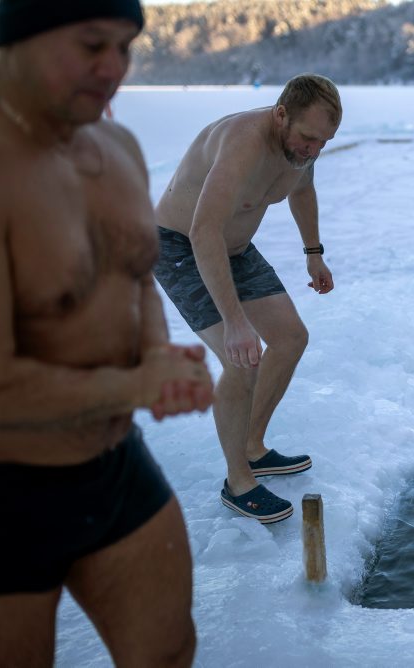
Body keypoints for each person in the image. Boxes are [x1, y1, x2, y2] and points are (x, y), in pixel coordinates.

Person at [0, 1, 214, 665]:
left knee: (168, 652)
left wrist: (156, 360)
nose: (113, 68)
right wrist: (136, 381)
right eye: (92, 44)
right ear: (15, 42)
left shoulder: (118, 149)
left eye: (125, 47)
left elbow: (135, 274)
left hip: (111, 461)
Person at [154, 74, 342, 523]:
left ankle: (253, 447)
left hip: (235, 249)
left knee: (291, 338)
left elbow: (302, 189)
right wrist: (235, 321)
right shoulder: (241, 144)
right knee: (242, 359)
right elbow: (203, 231)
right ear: (281, 114)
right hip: (183, 246)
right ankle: (238, 482)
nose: (315, 149)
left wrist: (313, 253)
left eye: (326, 141)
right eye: (309, 138)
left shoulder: (301, 148)